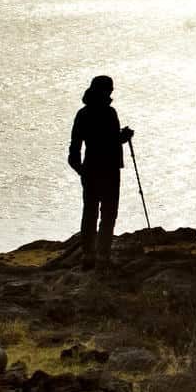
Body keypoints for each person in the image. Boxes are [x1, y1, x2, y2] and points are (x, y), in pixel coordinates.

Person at [68, 75, 134, 270]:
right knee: (108, 213)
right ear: (105, 91)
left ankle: (88, 255)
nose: (112, 93)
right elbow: (111, 142)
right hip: (110, 171)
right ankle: (103, 256)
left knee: (90, 212)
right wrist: (125, 136)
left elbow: (75, 148)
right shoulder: (109, 113)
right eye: (110, 89)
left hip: (90, 170)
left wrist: (81, 170)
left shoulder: (83, 114)